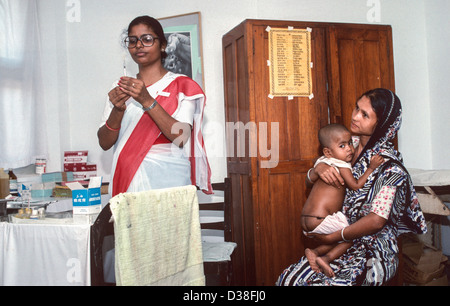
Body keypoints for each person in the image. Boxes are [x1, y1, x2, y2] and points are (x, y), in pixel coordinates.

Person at [277, 88, 427, 286]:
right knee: (289, 280)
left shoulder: (390, 168)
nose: (355, 116)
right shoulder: (346, 145)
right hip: (335, 241)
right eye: (357, 108)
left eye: (365, 115)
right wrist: (317, 169)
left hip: (372, 247)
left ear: (381, 124)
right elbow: (312, 184)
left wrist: (336, 236)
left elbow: (376, 221)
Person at [98, 16, 212, 197]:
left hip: (169, 182)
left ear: (163, 45)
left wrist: (146, 100)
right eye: (133, 40)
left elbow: (180, 137)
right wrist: (118, 110)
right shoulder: (119, 88)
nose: (139, 45)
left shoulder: (182, 86)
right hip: (128, 180)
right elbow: (104, 142)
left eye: (147, 39)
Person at [302, 123, 384, 277]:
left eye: (349, 143)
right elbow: (356, 185)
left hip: (306, 221)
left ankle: (314, 251)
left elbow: (310, 177)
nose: (349, 149)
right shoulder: (342, 165)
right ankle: (325, 258)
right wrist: (371, 168)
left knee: (335, 236)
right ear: (328, 151)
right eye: (342, 146)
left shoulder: (322, 161)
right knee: (350, 236)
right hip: (320, 219)